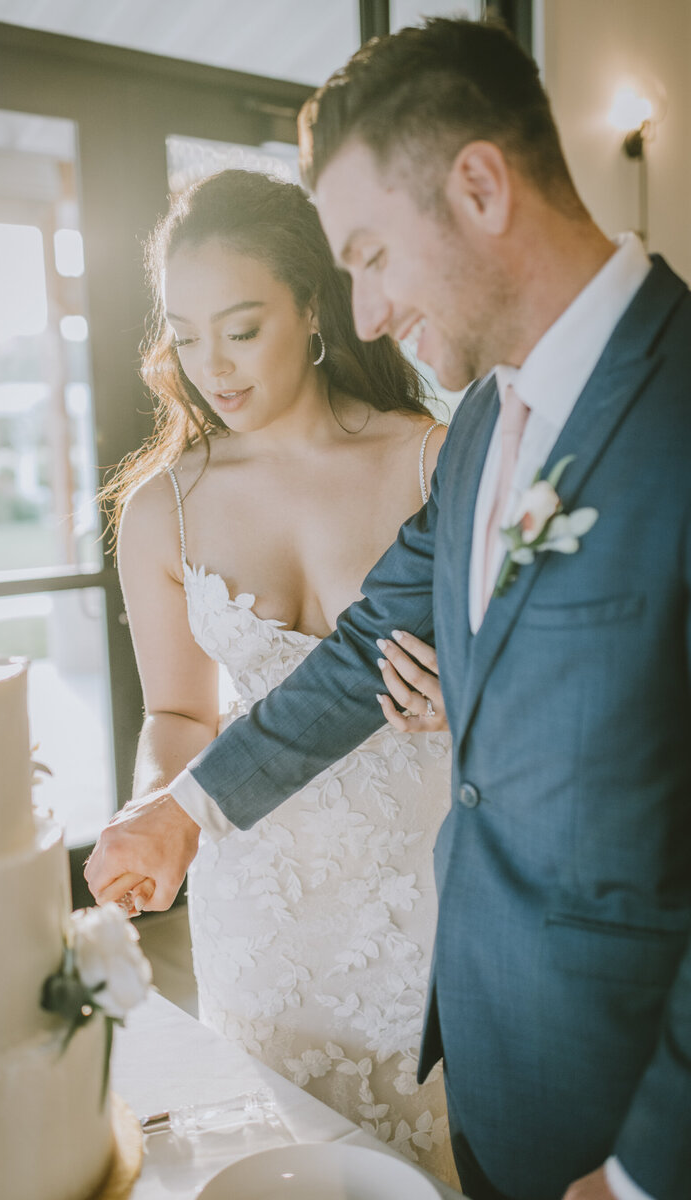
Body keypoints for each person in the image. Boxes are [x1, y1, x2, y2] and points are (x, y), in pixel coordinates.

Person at [87, 19, 691, 1200]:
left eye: (367, 253)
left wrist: (643, 1169)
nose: (362, 315)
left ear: (476, 186)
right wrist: (183, 812)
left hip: (634, 1106)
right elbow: (364, 647)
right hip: (490, 1069)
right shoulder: (478, 431)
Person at [96, 169, 458, 1180]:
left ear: (311, 305)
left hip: (417, 884)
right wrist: (152, 811)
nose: (212, 365)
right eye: (185, 332)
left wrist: (464, 708)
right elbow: (176, 709)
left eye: (241, 328)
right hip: (257, 899)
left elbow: (516, 686)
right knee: (278, 1169)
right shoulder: (161, 507)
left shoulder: (433, 463)